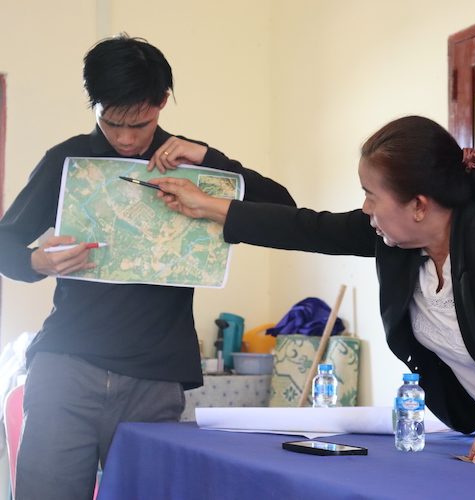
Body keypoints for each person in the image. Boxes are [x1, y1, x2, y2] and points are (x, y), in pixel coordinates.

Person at [0, 34, 295, 500]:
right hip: (66, 366)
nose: (125, 138)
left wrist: (208, 157)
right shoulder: (68, 161)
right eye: (111, 122)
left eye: (140, 123)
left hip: (156, 378)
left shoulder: (193, 166)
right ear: (94, 104)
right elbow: (5, 242)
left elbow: (283, 210)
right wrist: (38, 261)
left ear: (162, 102)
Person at [151, 115, 475, 466]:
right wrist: (204, 204)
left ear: (419, 206)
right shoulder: (399, 244)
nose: (365, 208)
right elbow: (307, 228)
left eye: (371, 196)